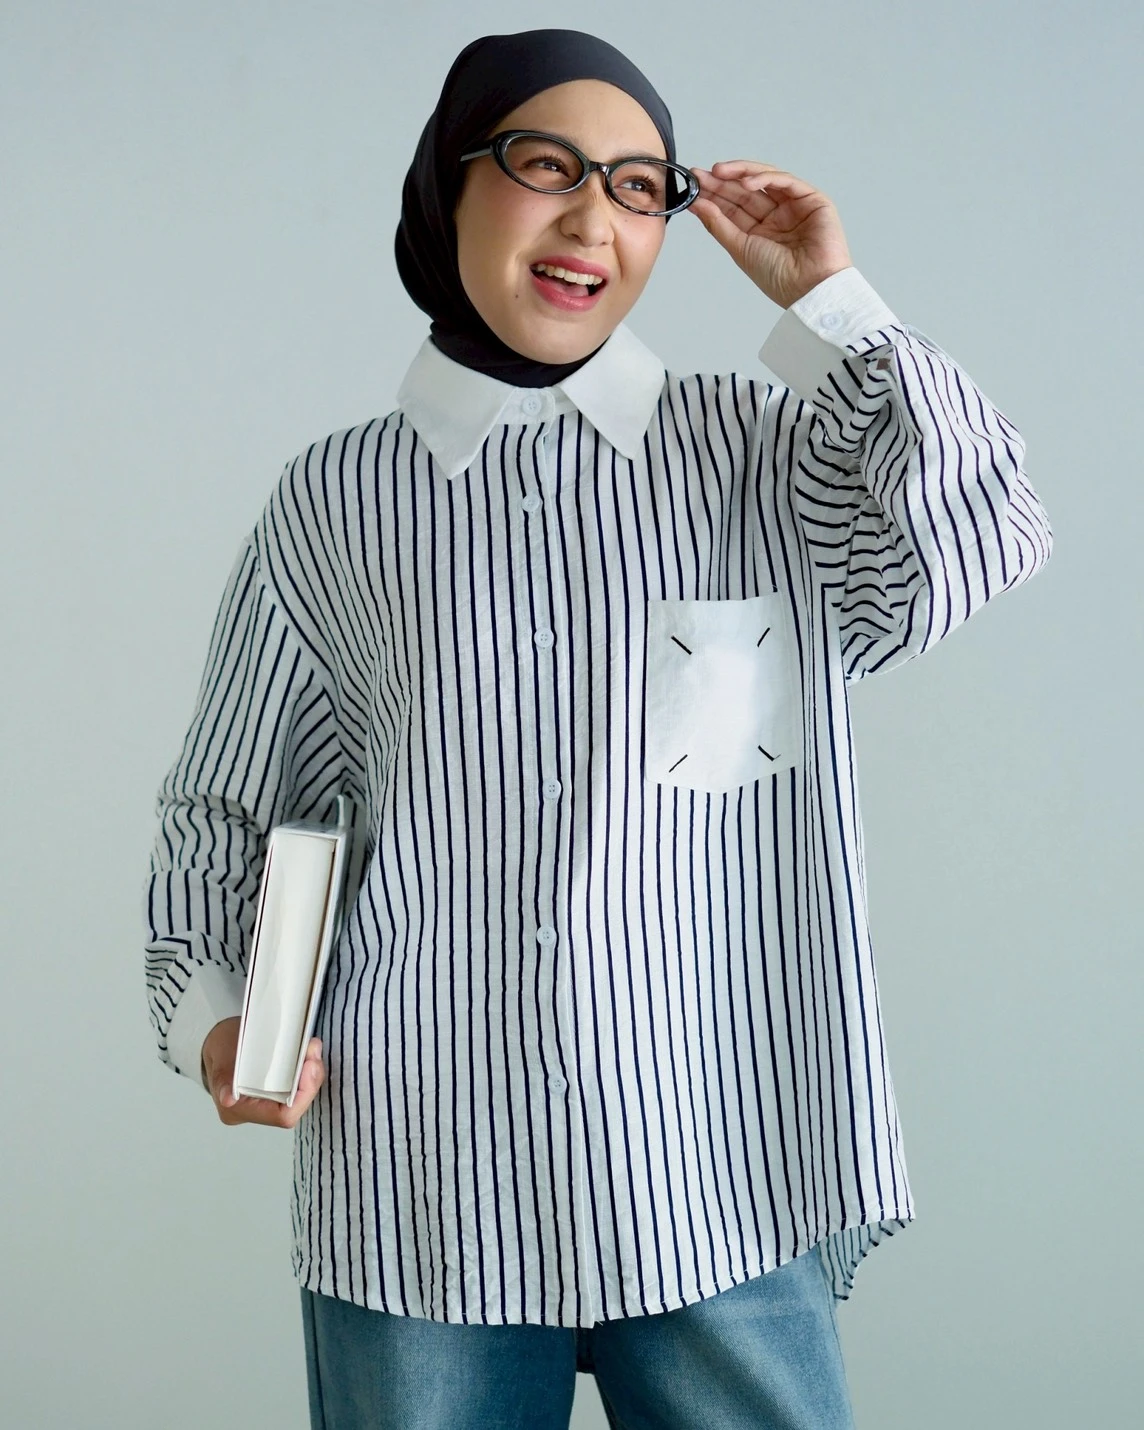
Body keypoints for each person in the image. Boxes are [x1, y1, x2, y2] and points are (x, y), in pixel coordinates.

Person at [141, 27, 1053, 1430]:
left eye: (638, 187)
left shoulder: (760, 454)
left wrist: (831, 299)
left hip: (719, 1166)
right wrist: (221, 1017)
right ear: (450, 186)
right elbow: (236, 802)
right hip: (421, 1186)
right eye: (546, 165)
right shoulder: (335, 503)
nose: (591, 219)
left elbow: (982, 534)